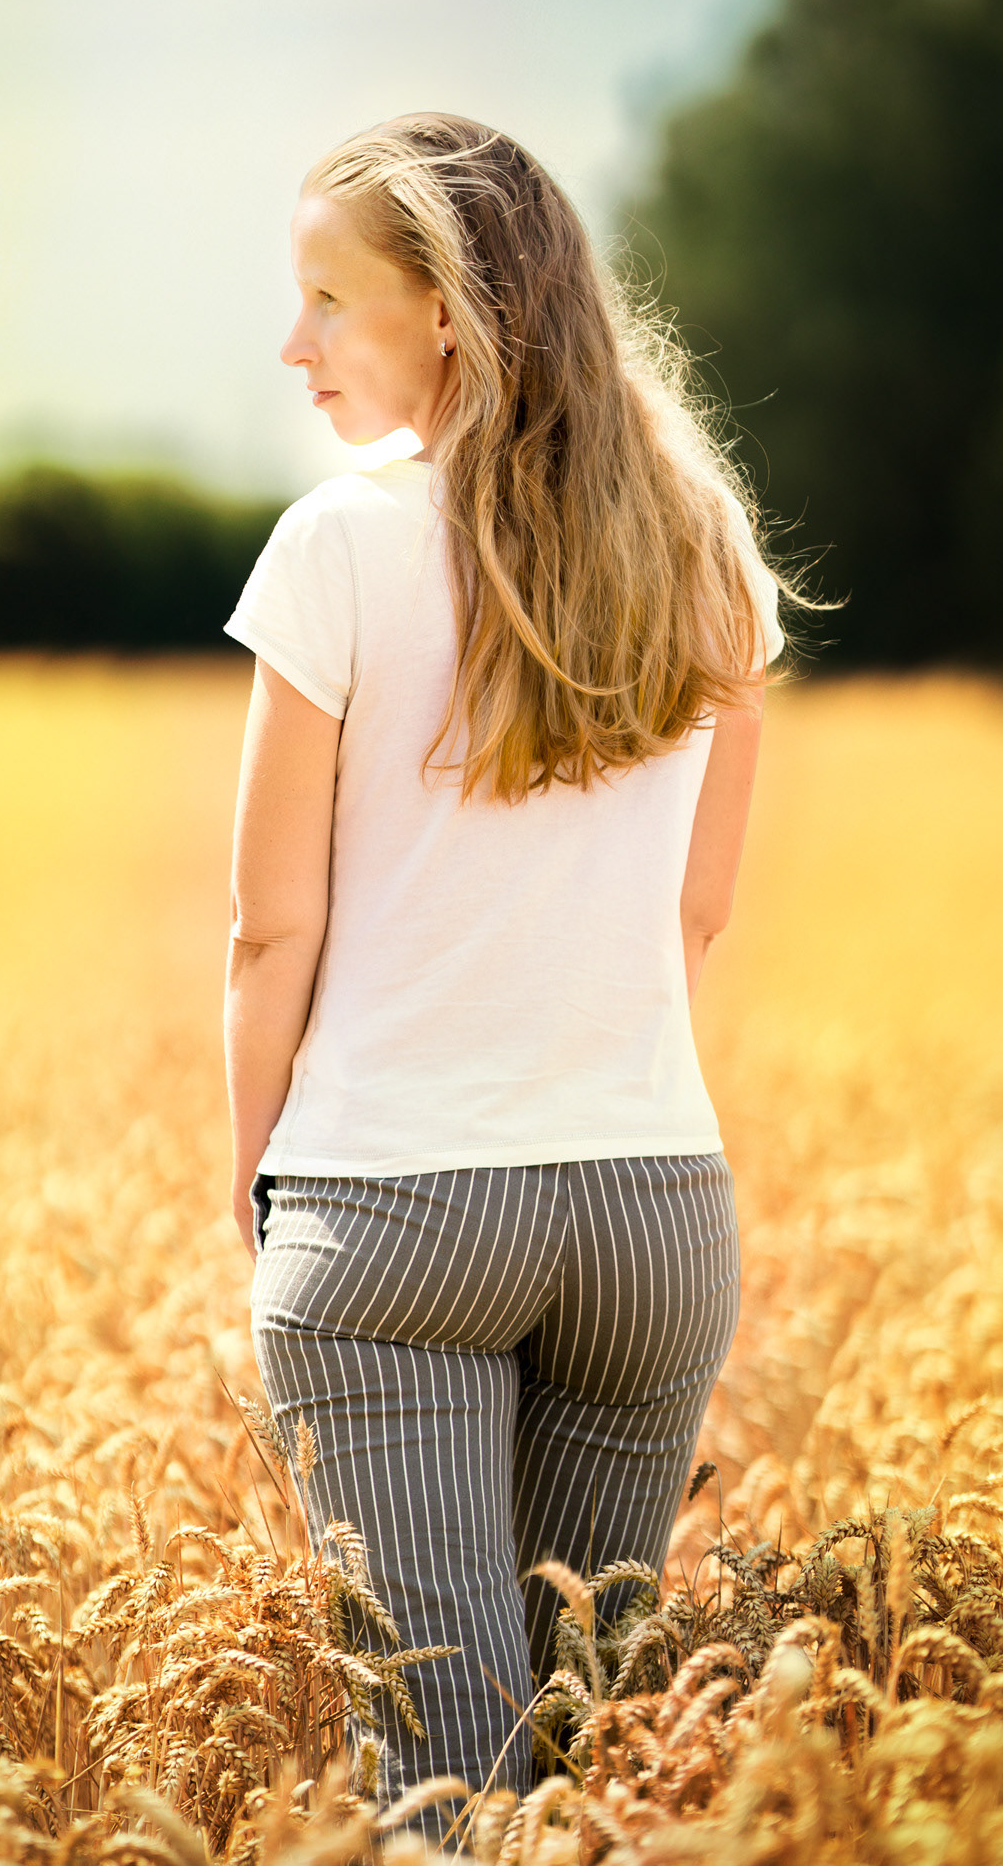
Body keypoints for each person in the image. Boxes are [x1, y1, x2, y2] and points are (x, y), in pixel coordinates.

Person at [222, 113, 792, 1826]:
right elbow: (698, 913)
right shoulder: (706, 541)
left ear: (450, 311)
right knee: (597, 1768)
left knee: (448, 1790)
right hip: (653, 1215)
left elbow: (270, 928)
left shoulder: (338, 544)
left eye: (330, 299)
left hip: (393, 1215)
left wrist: (261, 1184)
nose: (297, 343)